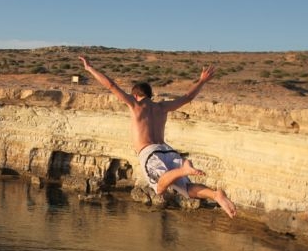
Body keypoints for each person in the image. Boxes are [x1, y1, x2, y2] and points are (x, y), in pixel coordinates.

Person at [79, 56, 236, 218]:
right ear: (150, 95)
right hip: (168, 151)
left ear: (135, 95)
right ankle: (215, 195)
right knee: (187, 191)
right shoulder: (162, 107)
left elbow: (111, 85)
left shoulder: (135, 105)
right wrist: (202, 81)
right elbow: (188, 97)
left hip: (149, 152)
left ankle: (183, 169)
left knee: (159, 188)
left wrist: (89, 68)